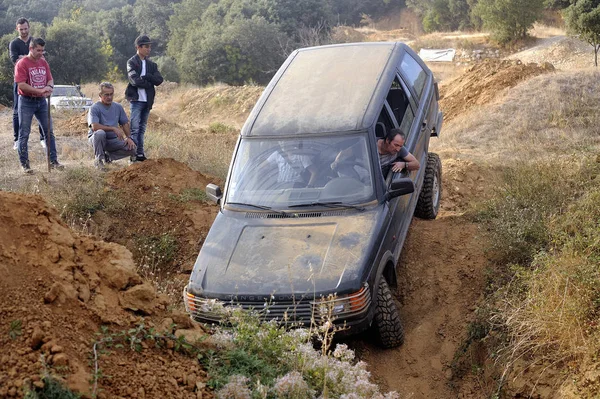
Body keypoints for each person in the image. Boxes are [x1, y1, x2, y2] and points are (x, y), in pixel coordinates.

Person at [14, 37, 63, 174]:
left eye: (43, 50)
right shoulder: (22, 63)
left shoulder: (43, 62)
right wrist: (40, 90)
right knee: (24, 133)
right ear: (31, 48)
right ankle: (25, 165)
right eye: (38, 50)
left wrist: (49, 87)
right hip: (26, 101)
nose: (41, 53)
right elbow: (22, 84)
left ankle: (53, 161)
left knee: (49, 131)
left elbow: (50, 79)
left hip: (42, 102)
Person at [125, 35, 163, 162]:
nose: (149, 49)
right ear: (138, 47)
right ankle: (133, 155)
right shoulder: (132, 62)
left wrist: (147, 76)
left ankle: (140, 154)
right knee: (134, 128)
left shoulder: (152, 65)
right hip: (136, 101)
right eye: (146, 46)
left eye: (150, 47)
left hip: (147, 101)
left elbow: (159, 80)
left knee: (142, 129)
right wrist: (148, 82)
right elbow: (134, 81)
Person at [9, 17, 44, 150]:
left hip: (37, 79)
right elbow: (15, 60)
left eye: (25, 28)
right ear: (17, 29)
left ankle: (43, 138)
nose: (24, 31)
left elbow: (41, 57)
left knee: (41, 109)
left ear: (29, 27)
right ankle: (17, 139)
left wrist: (24, 57)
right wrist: (30, 57)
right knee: (17, 111)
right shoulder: (14, 43)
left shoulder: (34, 41)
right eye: (21, 29)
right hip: (21, 81)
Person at [88, 82, 137, 170]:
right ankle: (99, 161)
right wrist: (113, 128)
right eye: (106, 95)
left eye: (111, 94)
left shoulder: (118, 107)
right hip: (97, 139)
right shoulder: (94, 108)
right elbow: (95, 127)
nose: (109, 97)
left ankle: (108, 157)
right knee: (100, 133)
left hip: (113, 140)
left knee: (133, 148)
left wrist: (129, 137)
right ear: (100, 95)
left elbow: (125, 123)